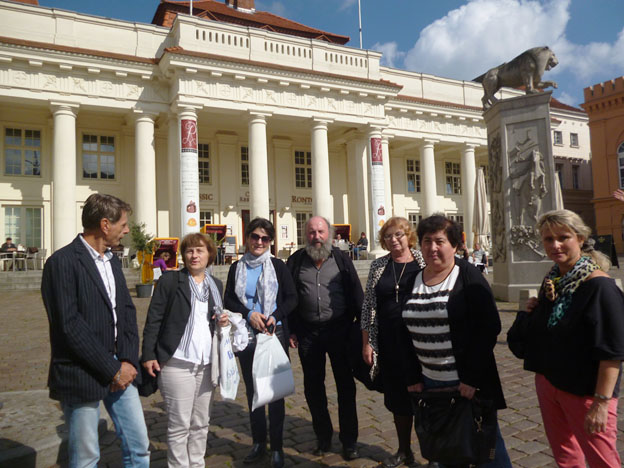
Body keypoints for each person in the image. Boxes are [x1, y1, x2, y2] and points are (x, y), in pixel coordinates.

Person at [508, 210, 624, 468]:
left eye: (563, 237)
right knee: (566, 457)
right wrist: (531, 313)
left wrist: (601, 403)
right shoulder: (554, 279)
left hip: (585, 391)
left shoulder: (600, 287)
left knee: (603, 461)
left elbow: (612, 352)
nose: (555, 245)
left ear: (580, 238)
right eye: (548, 239)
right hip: (549, 382)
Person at [41, 193, 150, 467]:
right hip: (82, 372)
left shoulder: (111, 260)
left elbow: (126, 312)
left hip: (121, 368)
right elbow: (69, 326)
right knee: (86, 457)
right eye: (123, 224)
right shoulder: (62, 262)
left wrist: (127, 360)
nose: (127, 230)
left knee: (139, 447)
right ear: (104, 225)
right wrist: (112, 369)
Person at [404, 214, 511, 468]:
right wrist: (412, 375)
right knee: (446, 446)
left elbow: (488, 328)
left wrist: (471, 378)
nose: (432, 248)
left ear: (454, 245)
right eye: (427, 241)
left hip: (464, 382)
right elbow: (404, 331)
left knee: (486, 448)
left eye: (439, 241)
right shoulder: (413, 279)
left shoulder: (468, 276)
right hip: (430, 382)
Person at [142, 233, 228, 468]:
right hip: (177, 362)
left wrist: (222, 321)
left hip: (207, 363)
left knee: (201, 422)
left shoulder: (216, 285)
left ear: (209, 255)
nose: (194, 255)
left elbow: (214, 319)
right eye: (190, 251)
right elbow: (154, 319)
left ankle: (197, 464)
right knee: (179, 424)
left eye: (200, 250)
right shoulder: (170, 281)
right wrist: (148, 354)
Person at [286, 216, 363, 460]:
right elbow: (288, 297)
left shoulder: (341, 259)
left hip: (340, 330)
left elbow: (356, 294)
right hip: (309, 333)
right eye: (312, 232)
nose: (316, 237)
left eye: (320, 232)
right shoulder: (296, 261)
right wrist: (291, 329)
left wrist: (362, 331)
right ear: (305, 235)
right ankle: (323, 437)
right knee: (313, 387)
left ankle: (349, 441)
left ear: (329, 234)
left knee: (345, 386)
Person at [224, 218, 297, 468]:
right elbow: (229, 299)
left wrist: (275, 316)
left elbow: (292, 298)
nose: (259, 242)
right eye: (255, 236)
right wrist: (249, 314)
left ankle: (277, 447)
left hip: (273, 333)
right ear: (247, 238)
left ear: (270, 242)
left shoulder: (278, 266)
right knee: (253, 391)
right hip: (246, 333)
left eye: (265, 238)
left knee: (274, 392)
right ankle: (258, 443)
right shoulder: (237, 267)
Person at [360, 216, 426, 468]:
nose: (394, 240)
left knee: (425, 397)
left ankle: (433, 454)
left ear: (408, 236)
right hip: (389, 342)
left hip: (420, 341)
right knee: (398, 398)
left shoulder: (422, 261)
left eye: (398, 234)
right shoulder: (379, 265)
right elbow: (368, 305)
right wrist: (367, 342)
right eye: (388, 236)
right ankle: (404, 450)